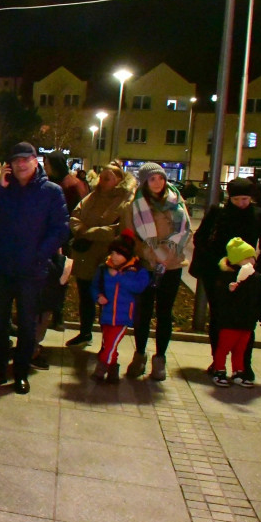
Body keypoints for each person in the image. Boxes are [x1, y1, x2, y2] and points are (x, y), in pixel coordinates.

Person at [0, 142, 68, 395]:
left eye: (26, 159)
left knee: (27, 324)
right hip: (1, 267)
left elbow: (60, 229)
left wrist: (40, 255)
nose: (21, 164)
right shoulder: (4, 189)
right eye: (16, 161)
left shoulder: (51, 192)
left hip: (31, 269)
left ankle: (21, 372)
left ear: (35, 161)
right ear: (10, 165)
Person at [190, 176, 261, 382]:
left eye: (245, 199)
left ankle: (244, 365)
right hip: (218, 274)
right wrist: (216, 262)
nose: (242, 204)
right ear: (230, 198)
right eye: (237, 200)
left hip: (246, 273)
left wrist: (259, 265)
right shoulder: (219, 213)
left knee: (246, 321)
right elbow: (200, 238)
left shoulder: (259, 215)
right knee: (219, 318)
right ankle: (218, 363)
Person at [123, 162, 191, 381]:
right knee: (143, 313)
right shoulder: (136, 205)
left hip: (171, 265)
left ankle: (160, 359)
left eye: (160, 178)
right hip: (147, 264)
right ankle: (140, 354)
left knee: (164, 313)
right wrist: (150, 252)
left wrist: (167, 253)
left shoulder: (176, 201)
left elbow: (185, 230)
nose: (158, 182)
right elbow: (130, 235)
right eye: (152, 179)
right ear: (144, 182)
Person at [66, 162, 134, 347]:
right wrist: (80, 229)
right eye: (101, 177)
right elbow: (75, 215)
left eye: (107, 178)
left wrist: (89, 232)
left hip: (106, 256)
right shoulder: (92, 196)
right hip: (85, 255)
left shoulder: (125, 201)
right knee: (85, 296)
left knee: (107, 298)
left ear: (119, 180)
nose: (102, 181)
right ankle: (85, 332)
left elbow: (119, 230)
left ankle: (108, 341)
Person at [90, 231, 150, 382]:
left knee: (111, 343)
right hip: (107, 314)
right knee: (108, 343)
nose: (115, 256)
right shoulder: (104, 268)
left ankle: (102, 367)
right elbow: (94, 286)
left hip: (124, 316)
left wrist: (118, 277)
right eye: (113, 252)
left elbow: (138, 287)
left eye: (119, 253)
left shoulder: (137, 270)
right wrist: (98, 296)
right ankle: (113, 371)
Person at [209, 238, 261, 387]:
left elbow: (260, 299)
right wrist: (230, 290)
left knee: (241, 350)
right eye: (247, 258)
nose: (251, 261)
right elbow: (220, 299)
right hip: (230, 321)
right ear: (236, 260)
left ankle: (239, 371)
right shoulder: (227, 277)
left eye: (252, 258)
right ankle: (219, 370)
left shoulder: (256, 278)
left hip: (247, 322)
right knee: (224, 348)